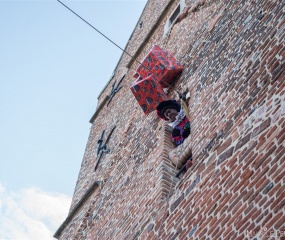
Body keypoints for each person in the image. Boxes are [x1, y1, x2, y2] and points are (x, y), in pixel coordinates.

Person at [156, 100, 192, 170]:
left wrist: (187, 127)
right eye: (167, 115)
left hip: (193, 134)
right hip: (186, 143)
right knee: (171, 154)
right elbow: (178, 141)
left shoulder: (186, 113)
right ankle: (185, 166)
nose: (169, 115)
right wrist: (182, 134)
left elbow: (191, 120)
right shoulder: (175, 130)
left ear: (175, 109)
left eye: (169, 111)